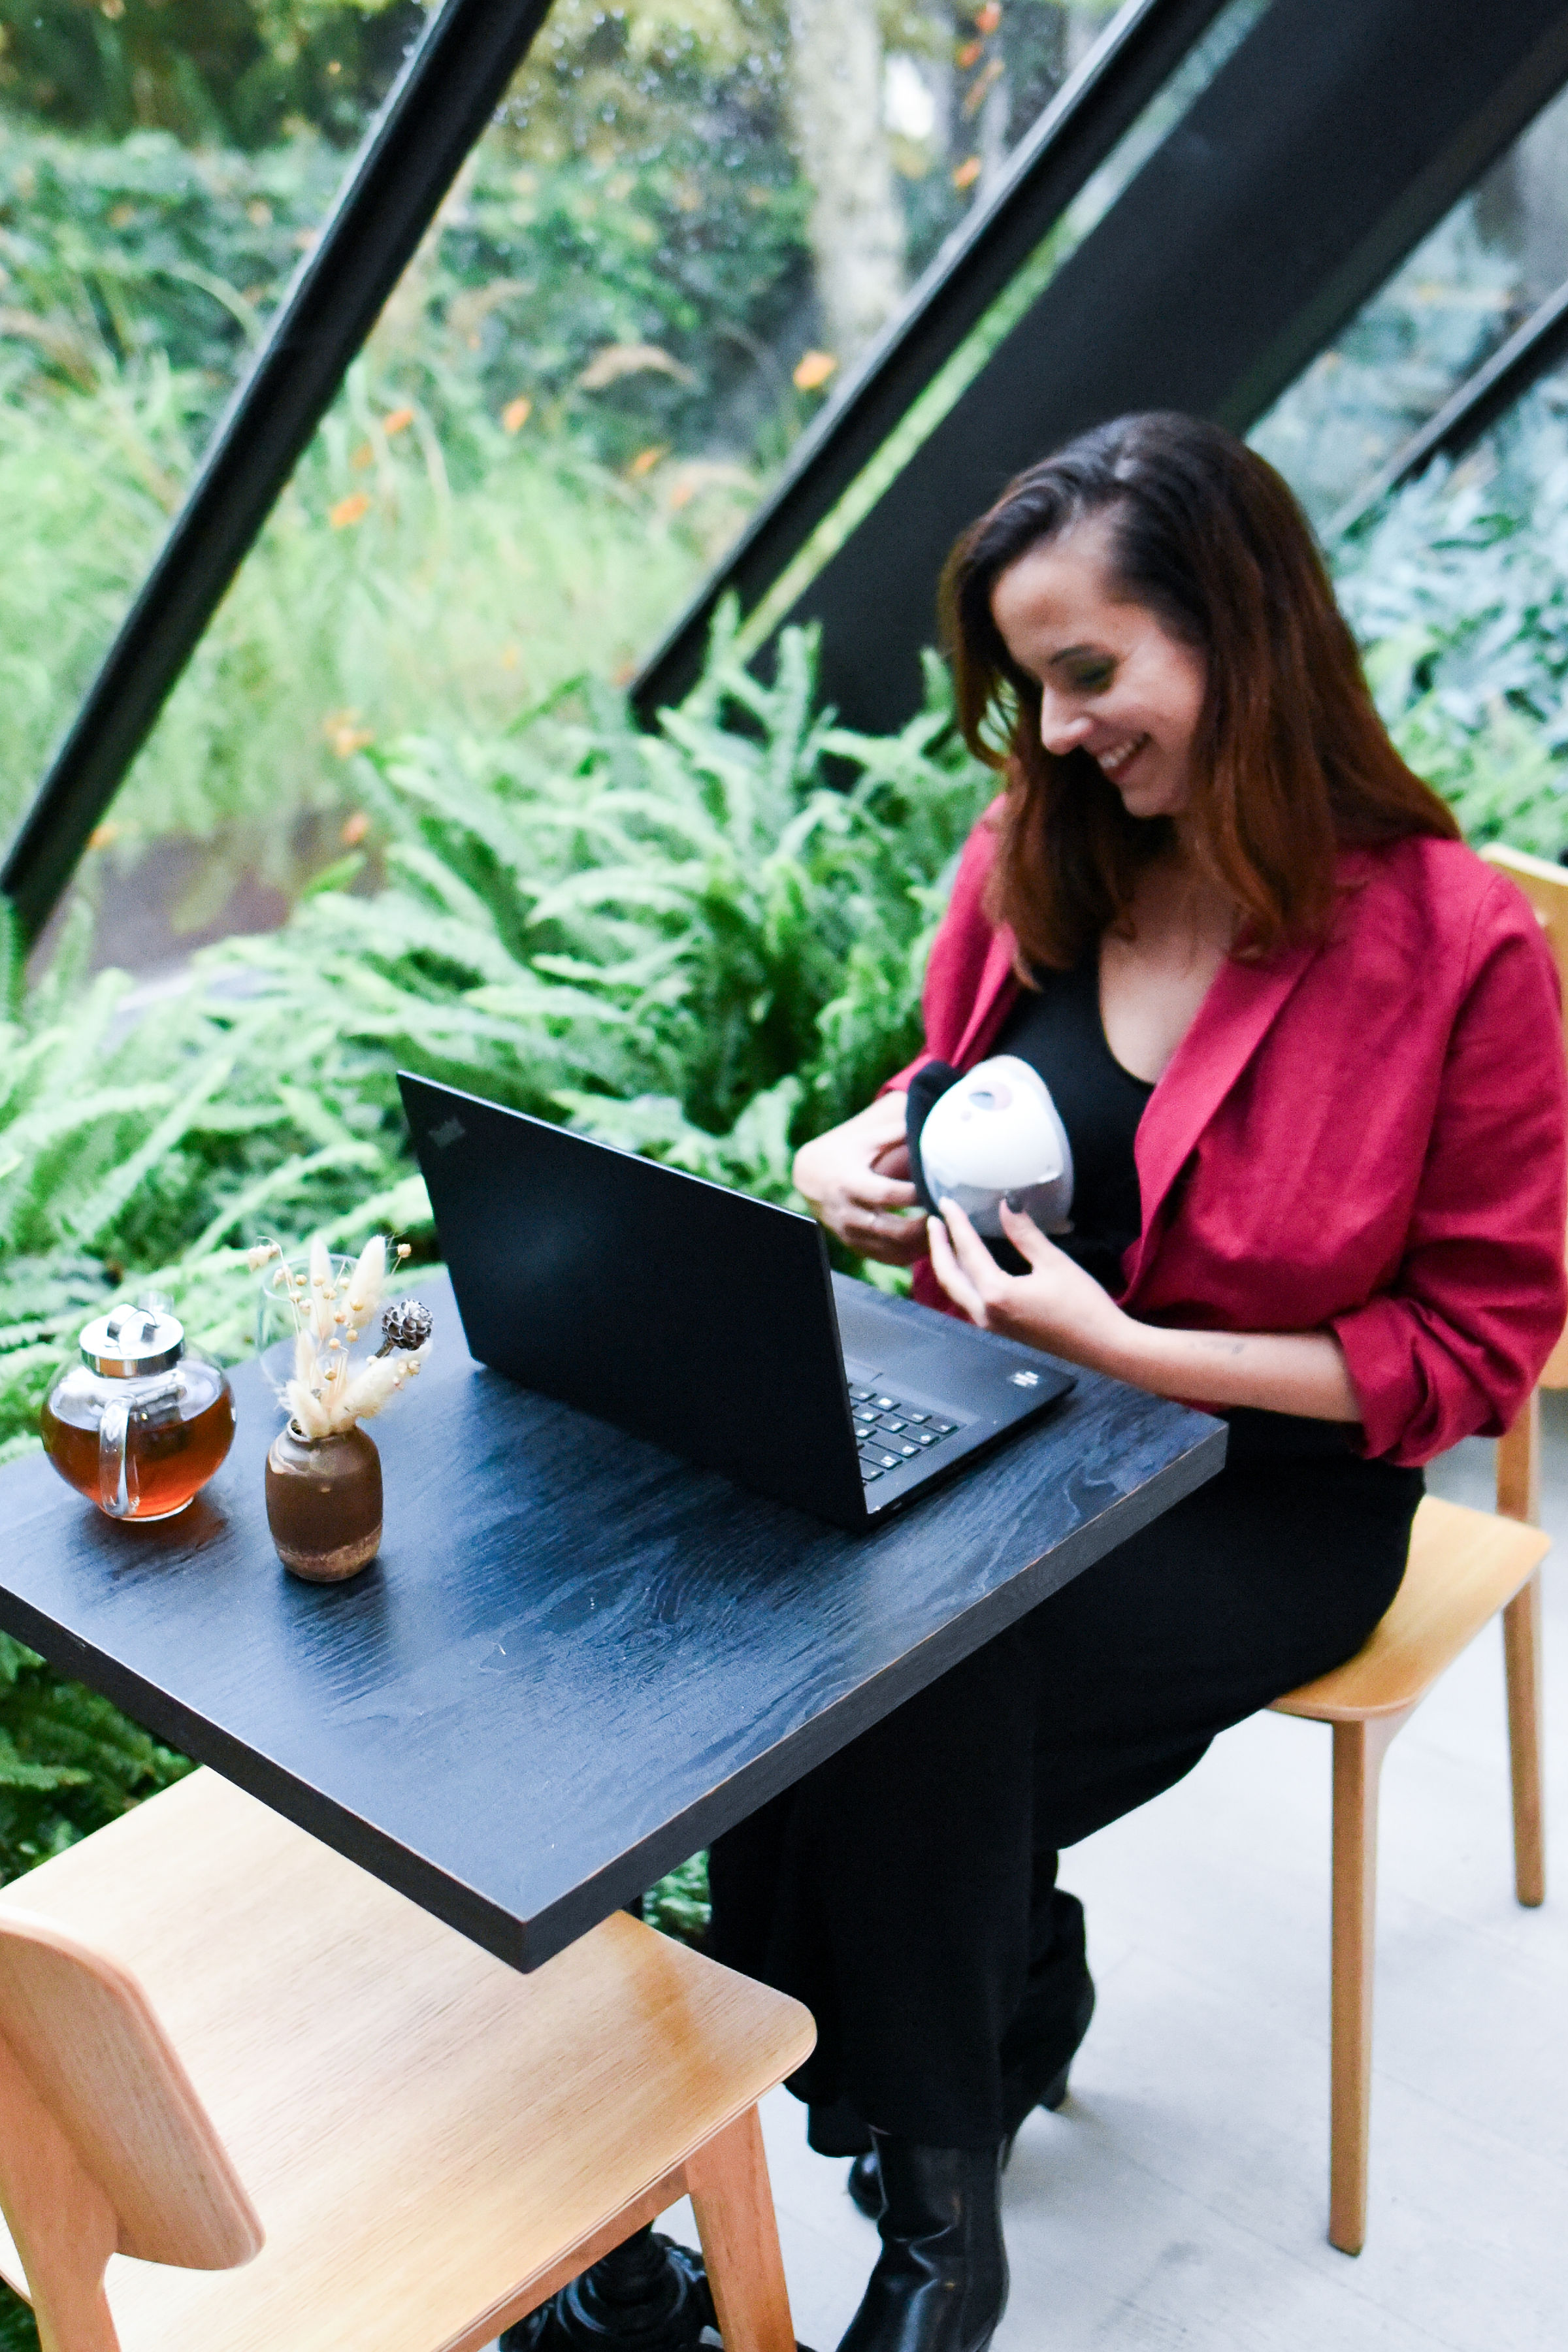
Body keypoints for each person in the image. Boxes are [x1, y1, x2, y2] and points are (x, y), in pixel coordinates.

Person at [704, 413, 1568, 2352]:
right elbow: (959, 1100)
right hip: (1013, 1426)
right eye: (1033, 687)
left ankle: (939, 2223)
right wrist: (851, 1154)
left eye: (1092, 673)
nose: (1061, 727)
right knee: (790, 1603)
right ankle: (999, 1987)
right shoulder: (1035, 853)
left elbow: (1472, 1351)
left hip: (1265, 1491)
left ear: (1239, 631)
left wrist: (1140, 1352)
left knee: (924, 1685)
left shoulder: (1458, 951)